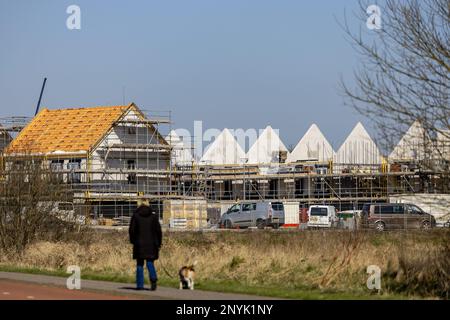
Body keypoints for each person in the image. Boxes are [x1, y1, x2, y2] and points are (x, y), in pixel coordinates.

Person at [129, 199, 162, 291]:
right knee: (150, 262)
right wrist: (158, 243)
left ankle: (140, 285)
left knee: (139, 264)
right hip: (151, 244)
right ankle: (153, 278)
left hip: (139, 244)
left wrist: (133, 241)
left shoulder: (135, 216)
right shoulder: (153, 216)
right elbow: (158, 231)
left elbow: (132, 230)